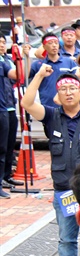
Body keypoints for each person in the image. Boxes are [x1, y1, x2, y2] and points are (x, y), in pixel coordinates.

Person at [21, 66, 80, 256]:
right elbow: (26, 103)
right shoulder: (51, 117)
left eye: (72, 88)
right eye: (63, 89)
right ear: (57, 95)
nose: (68, 93)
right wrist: (39, 76)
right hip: (64, 190)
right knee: (67, 239)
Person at [0, 39, 24, 198]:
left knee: (7, 147)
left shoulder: (5, 61)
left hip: (7, 106)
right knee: (1, 148)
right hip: (1, 108)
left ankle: (5, 176)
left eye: (3, 42)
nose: (2, 45)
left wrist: (22, 58)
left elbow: (19, 76)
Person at [29, 33, 80, 108]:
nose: (54, 45)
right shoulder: (38, 64)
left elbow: (78, 81)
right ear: (44, 46)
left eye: (56, 43)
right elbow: (24, 76)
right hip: (47, 105)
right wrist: (26, 56)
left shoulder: (69, 62)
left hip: (67, 105)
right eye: (50, 43)